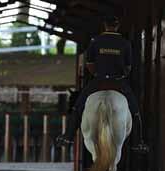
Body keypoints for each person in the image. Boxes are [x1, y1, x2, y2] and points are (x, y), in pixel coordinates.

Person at [56, 15, 149, 153]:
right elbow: (129, 67)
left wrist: (97, 74)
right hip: (118, 82)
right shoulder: (125, 43)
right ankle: (138, 143)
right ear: (117, 26)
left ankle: (68, 137)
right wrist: (120, 75)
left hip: (98, 81)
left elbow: (89, 64)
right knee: (135, 112)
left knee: (77, 108)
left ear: (105, 25)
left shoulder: (95, 41)